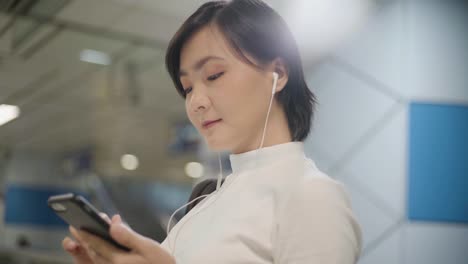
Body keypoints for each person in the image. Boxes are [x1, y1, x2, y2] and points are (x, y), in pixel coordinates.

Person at [62, 0, 362, 263]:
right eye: (187, 88)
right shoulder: (204, 202)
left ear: (279, 74)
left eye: (214, 75)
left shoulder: (311, 195)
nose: (196, 102)